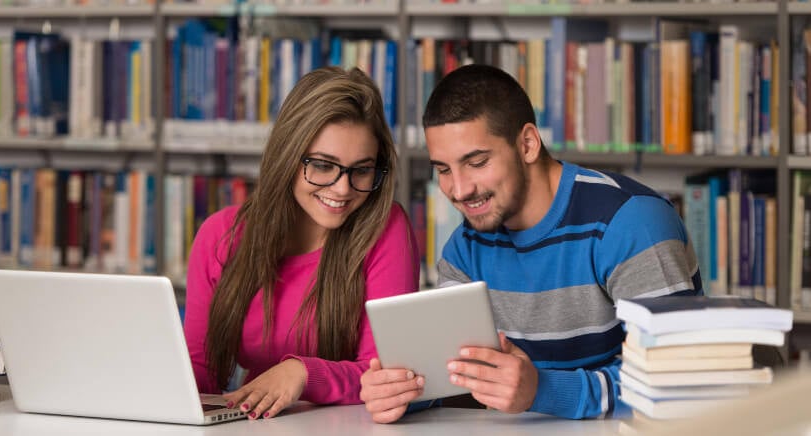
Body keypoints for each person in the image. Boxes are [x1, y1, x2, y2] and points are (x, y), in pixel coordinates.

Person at [360, 64, 702, 423]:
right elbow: (456, 375)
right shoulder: (466, 246)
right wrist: (402, 392)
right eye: (443, 170)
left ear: (527, 144)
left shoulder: (631, 223)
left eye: (476, 162)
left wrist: (542, 390)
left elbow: (674, 381)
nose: (459, 190)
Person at [184, 66, 420, 420]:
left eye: (361, 170)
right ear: (287, 157)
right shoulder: (220, 236)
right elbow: (200, 369)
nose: (342, 189)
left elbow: (385, 377)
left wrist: (302, 373)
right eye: (324, 166)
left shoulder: (386, 228)